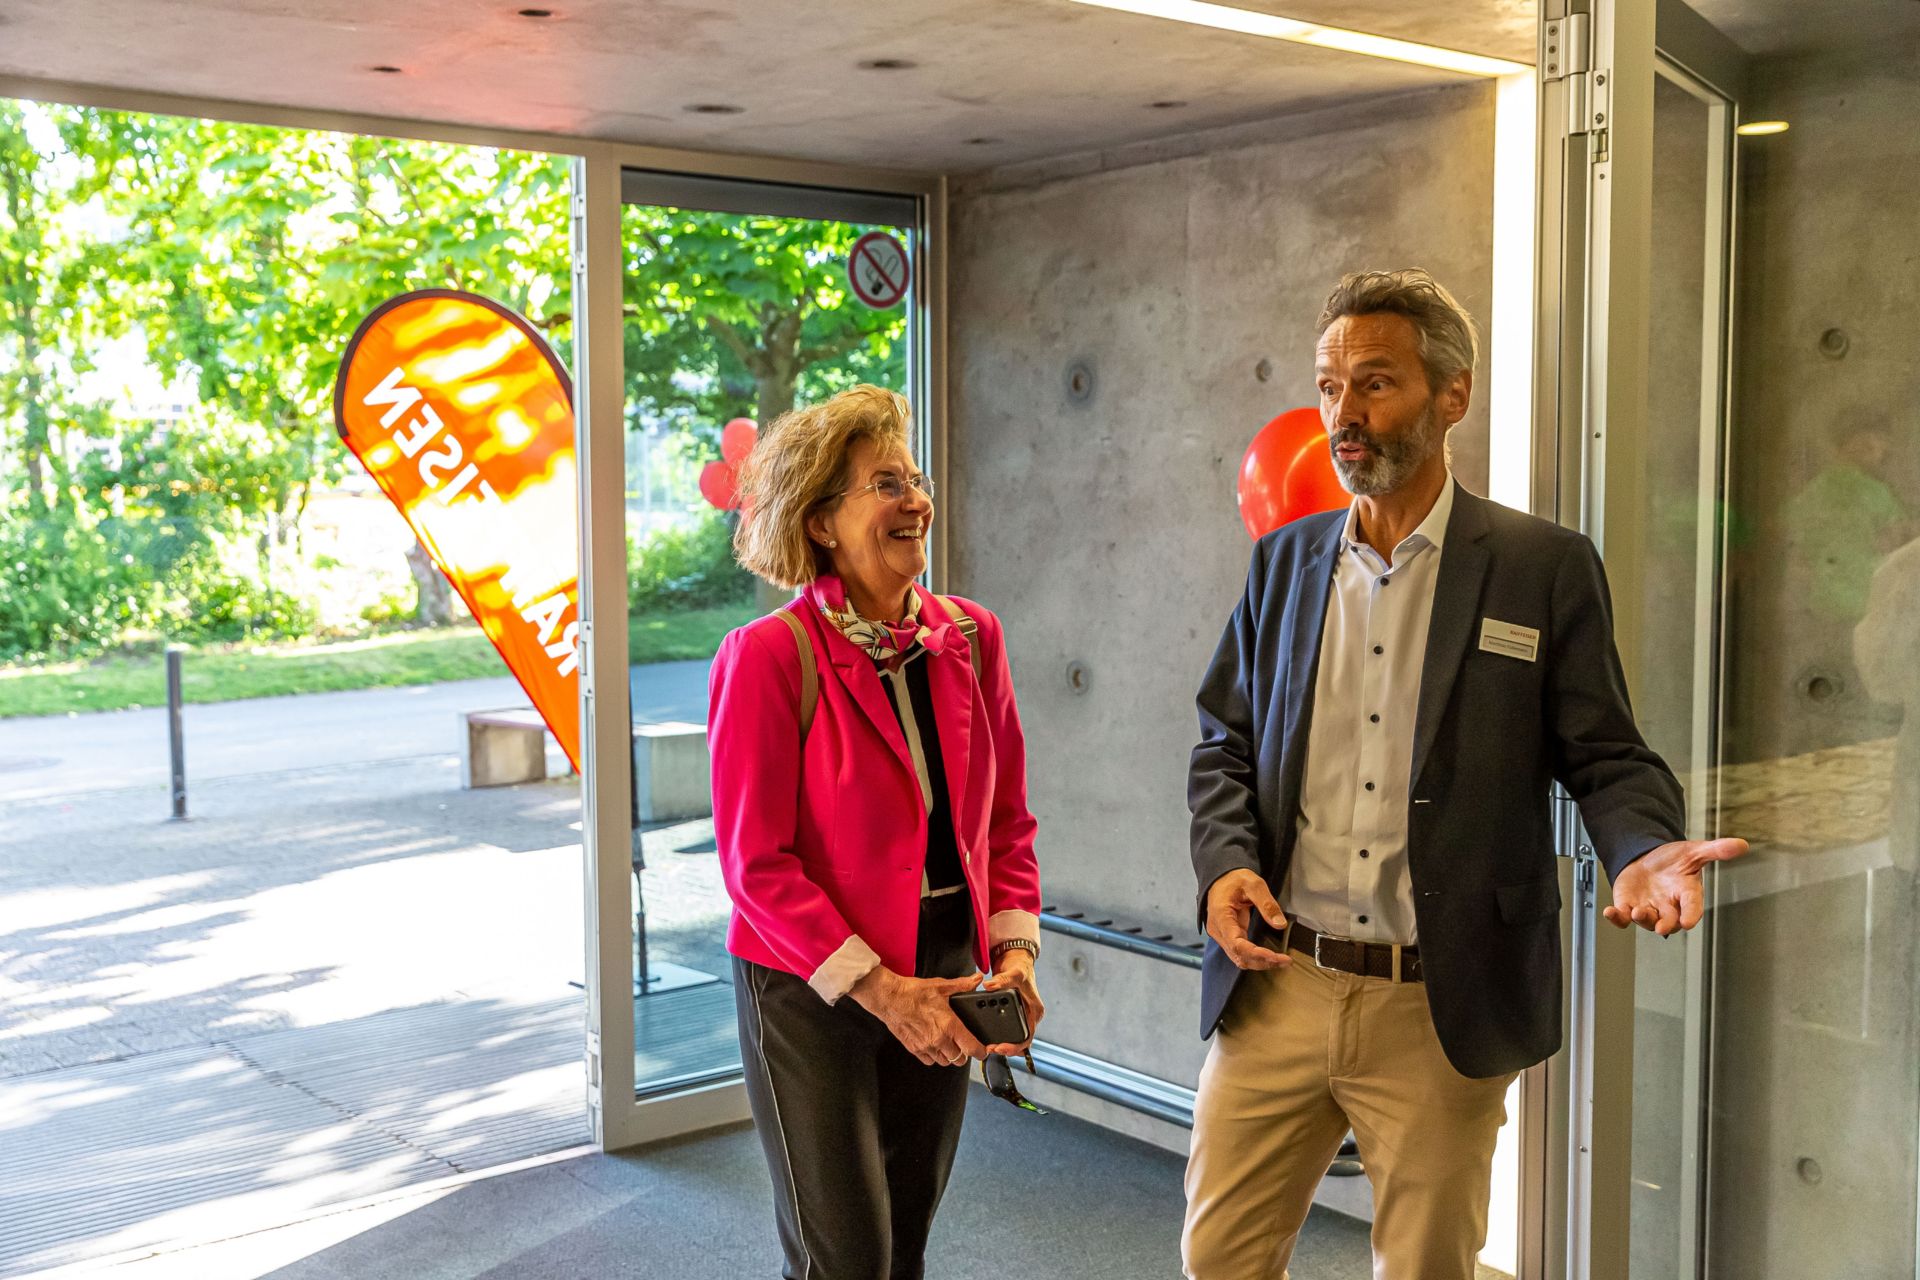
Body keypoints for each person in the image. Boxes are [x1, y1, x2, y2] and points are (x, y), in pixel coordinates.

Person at [1182, 269, 1749, 1279]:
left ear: (1454, 394)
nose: (1344, 415)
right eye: (1330, 387)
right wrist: (1227, 863)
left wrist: (1645, 846)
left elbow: (1605, 750)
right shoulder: (1285, 562)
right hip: (1279, 987)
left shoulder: (1540, 566)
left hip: (1438, 1002)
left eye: (1375, 383)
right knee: (1217, 1260)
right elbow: (1225, 738)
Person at [708, 384, 1045, 1280]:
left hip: (946, 960)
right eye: (885, 484)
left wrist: (1015, 955)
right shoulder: (768, 656)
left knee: (905, 1239)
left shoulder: (972, 637)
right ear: (821, 522)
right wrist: (885, 992)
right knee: (844, 1257)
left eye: (915, 479)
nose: (915, 501)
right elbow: (754, 866)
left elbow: (1005, 822)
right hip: (809, 984)